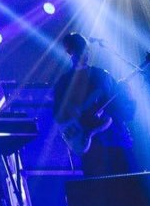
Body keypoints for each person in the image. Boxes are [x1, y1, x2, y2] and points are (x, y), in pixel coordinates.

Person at [52, 32, 137, 176]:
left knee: (130, 183)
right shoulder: (64, 82)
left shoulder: (102, 75)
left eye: (86, 50)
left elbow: (123, 110)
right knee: (99, 185)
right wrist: (73, 115)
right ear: (70, 52)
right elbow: (58, 114)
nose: (84, 54)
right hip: (90, 146)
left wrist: (127, 94)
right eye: (79, 51)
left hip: (114, 140)